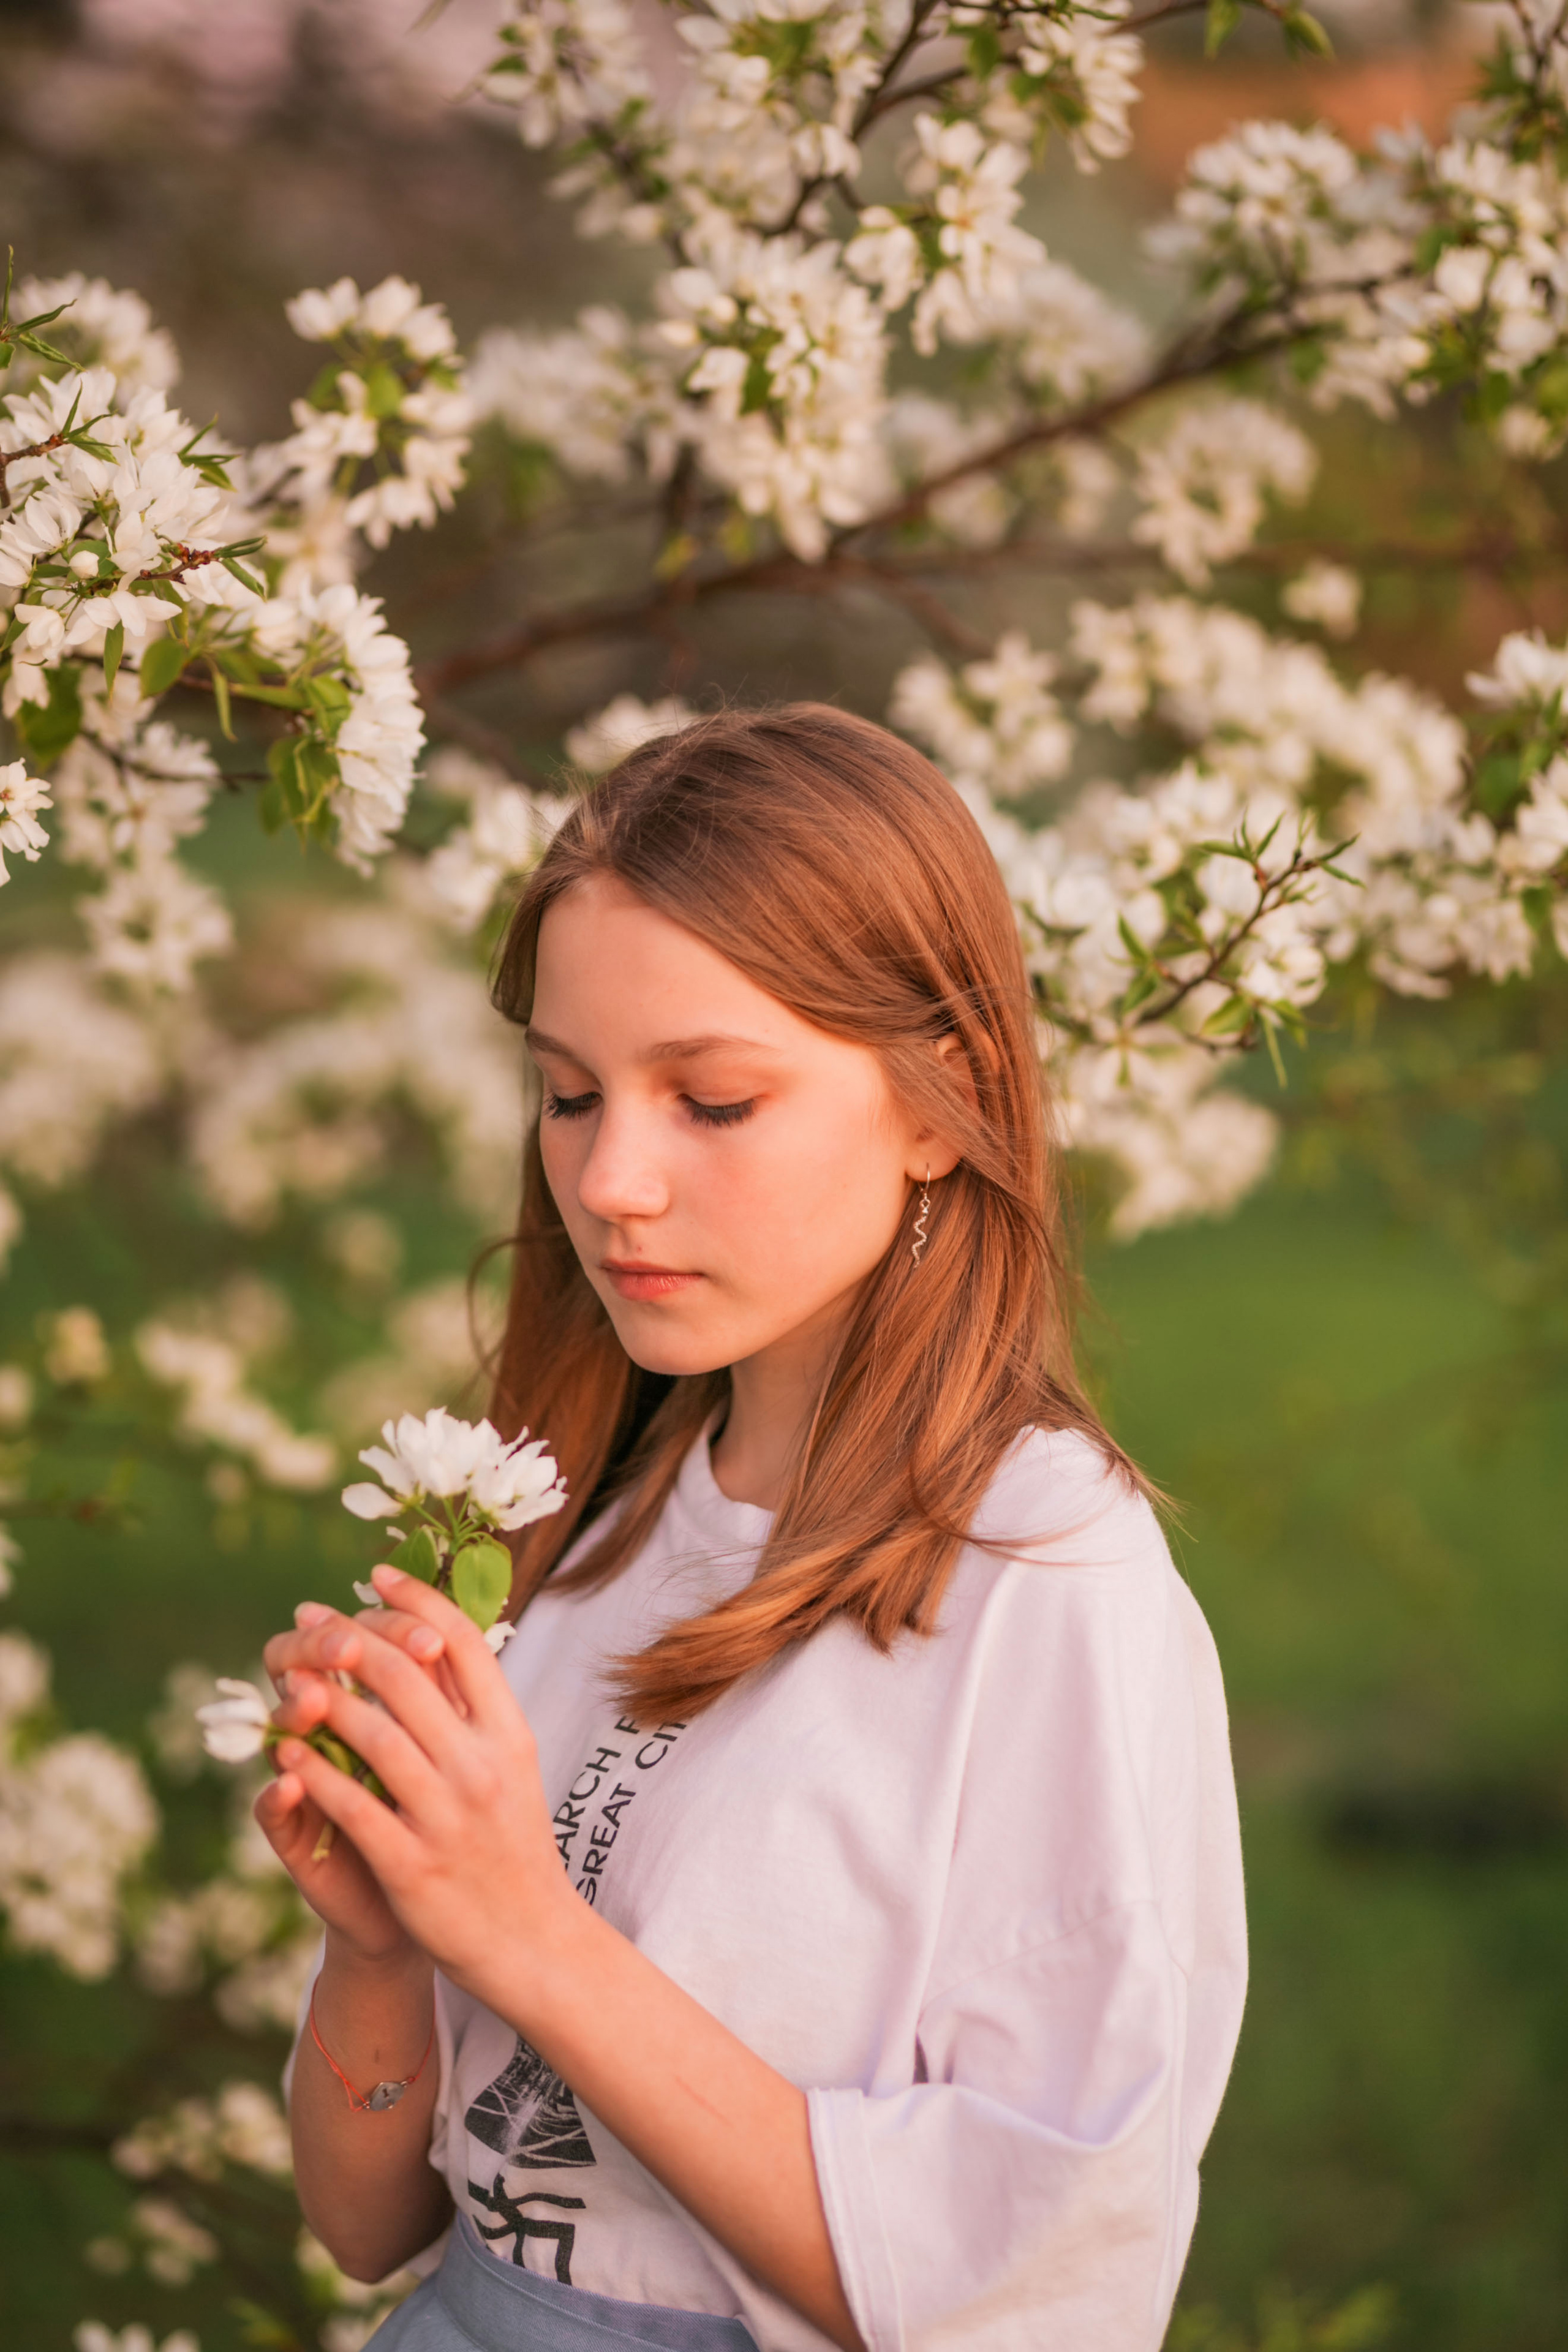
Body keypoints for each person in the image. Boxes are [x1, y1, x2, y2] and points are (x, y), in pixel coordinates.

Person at [258, 704, 1248, 2352]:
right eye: (570, 1095)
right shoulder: (587, 1520)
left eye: (712, 1101)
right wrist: (380, 1942)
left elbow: (1033, 2281)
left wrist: (522, 1929)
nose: (612, 1181)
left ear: (941, 1101)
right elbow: (374, 2232)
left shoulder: (1042, 1570)